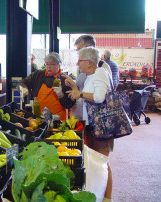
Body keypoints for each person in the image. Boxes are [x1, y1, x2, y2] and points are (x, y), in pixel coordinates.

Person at [64, 47, 113, 202]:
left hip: (102, 126)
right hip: (93, 126)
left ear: (89, 62)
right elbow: (86, 98)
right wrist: (74, 87)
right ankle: (98, 195)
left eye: (80, 60)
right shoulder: (91, 76)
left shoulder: (100, 73)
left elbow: (99, 97)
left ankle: (107, 198)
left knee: (102, 163)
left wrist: (80, 94)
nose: (78, 63)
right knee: (95, 162)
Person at [18, 52, 75, 120]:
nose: (48, 67)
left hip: (58, 120)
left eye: (52, 64)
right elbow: (21, 84)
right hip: (39, 118)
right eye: (47, 64)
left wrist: (61, 95)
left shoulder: (65, 80)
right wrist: (23, 89)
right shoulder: (37, 75)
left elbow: (69, 104)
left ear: (59, 65)